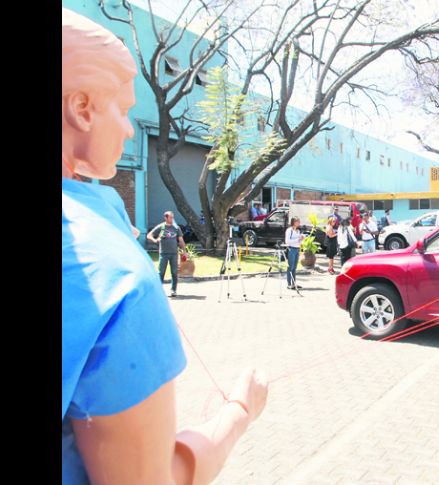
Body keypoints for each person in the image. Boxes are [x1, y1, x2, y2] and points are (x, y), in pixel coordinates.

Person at [62, 9, 268, 484]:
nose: (132, 128)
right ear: (82, 108)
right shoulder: (114, 279)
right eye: (125, 109)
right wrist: (237, 413)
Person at [148, 211, 186, 297]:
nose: (172, 219)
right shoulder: (161, 227)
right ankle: (159, 291)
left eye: (173, 217)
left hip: (174, 254)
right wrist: (155, 240)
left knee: (174, 272)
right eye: (170, 217)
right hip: (163, 254)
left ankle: (173, 290)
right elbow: (149, 235)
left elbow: (181, 241)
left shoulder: (176, 228)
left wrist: (184, 252)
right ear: (166, 218)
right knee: (161, 273)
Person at [285, 216, 304, 289]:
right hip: (291, 249)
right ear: (293, 222)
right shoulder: (289, 230)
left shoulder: (298, 231)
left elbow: (299, 242)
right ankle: (289, 284)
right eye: (297, 221)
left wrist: (301, 240)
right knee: (290, 267)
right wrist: (298, 239)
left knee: (294, 267)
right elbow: (287, 241)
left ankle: (294, 283)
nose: (299, 223)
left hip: (297, 249)